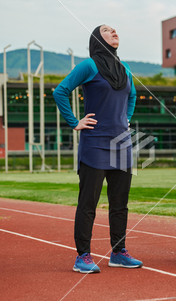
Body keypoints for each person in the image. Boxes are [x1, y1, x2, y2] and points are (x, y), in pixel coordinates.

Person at [53, 25, 142, 274]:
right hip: (94, 143)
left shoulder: (125, 69)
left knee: (119, 203)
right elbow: (60, 91)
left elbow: (132, 97)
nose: (115, 32)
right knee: (88, 203)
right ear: (97, 38)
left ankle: (118, 252)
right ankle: (83, 256)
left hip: (122, 143)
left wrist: (126, 119)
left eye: (115, 30)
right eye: (107, 30)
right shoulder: (89, 65)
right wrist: (75, 122)